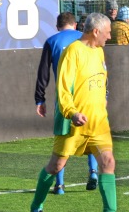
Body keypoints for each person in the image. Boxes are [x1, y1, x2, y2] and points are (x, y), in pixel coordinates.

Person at [29, 13, 129, 212]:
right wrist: (72, 113)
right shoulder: (72, 52)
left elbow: (102, 81)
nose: (108, 37)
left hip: (98, 122)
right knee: (56, 165)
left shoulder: (99, 51)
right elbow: (63, 90)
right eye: (107, 33)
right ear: (95, 31)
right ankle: (36, 209)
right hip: (74, 122)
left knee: (108, 161)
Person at [34, 12, 99, 194]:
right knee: (90, 136)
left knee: (62, 140)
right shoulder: (85, 39)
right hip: (88, 97)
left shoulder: (52, 41)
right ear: (76, 25)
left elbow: (43, 74)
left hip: (65, 99)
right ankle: (93, 172)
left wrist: (40, 98)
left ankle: (60, 185)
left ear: (57, 27)